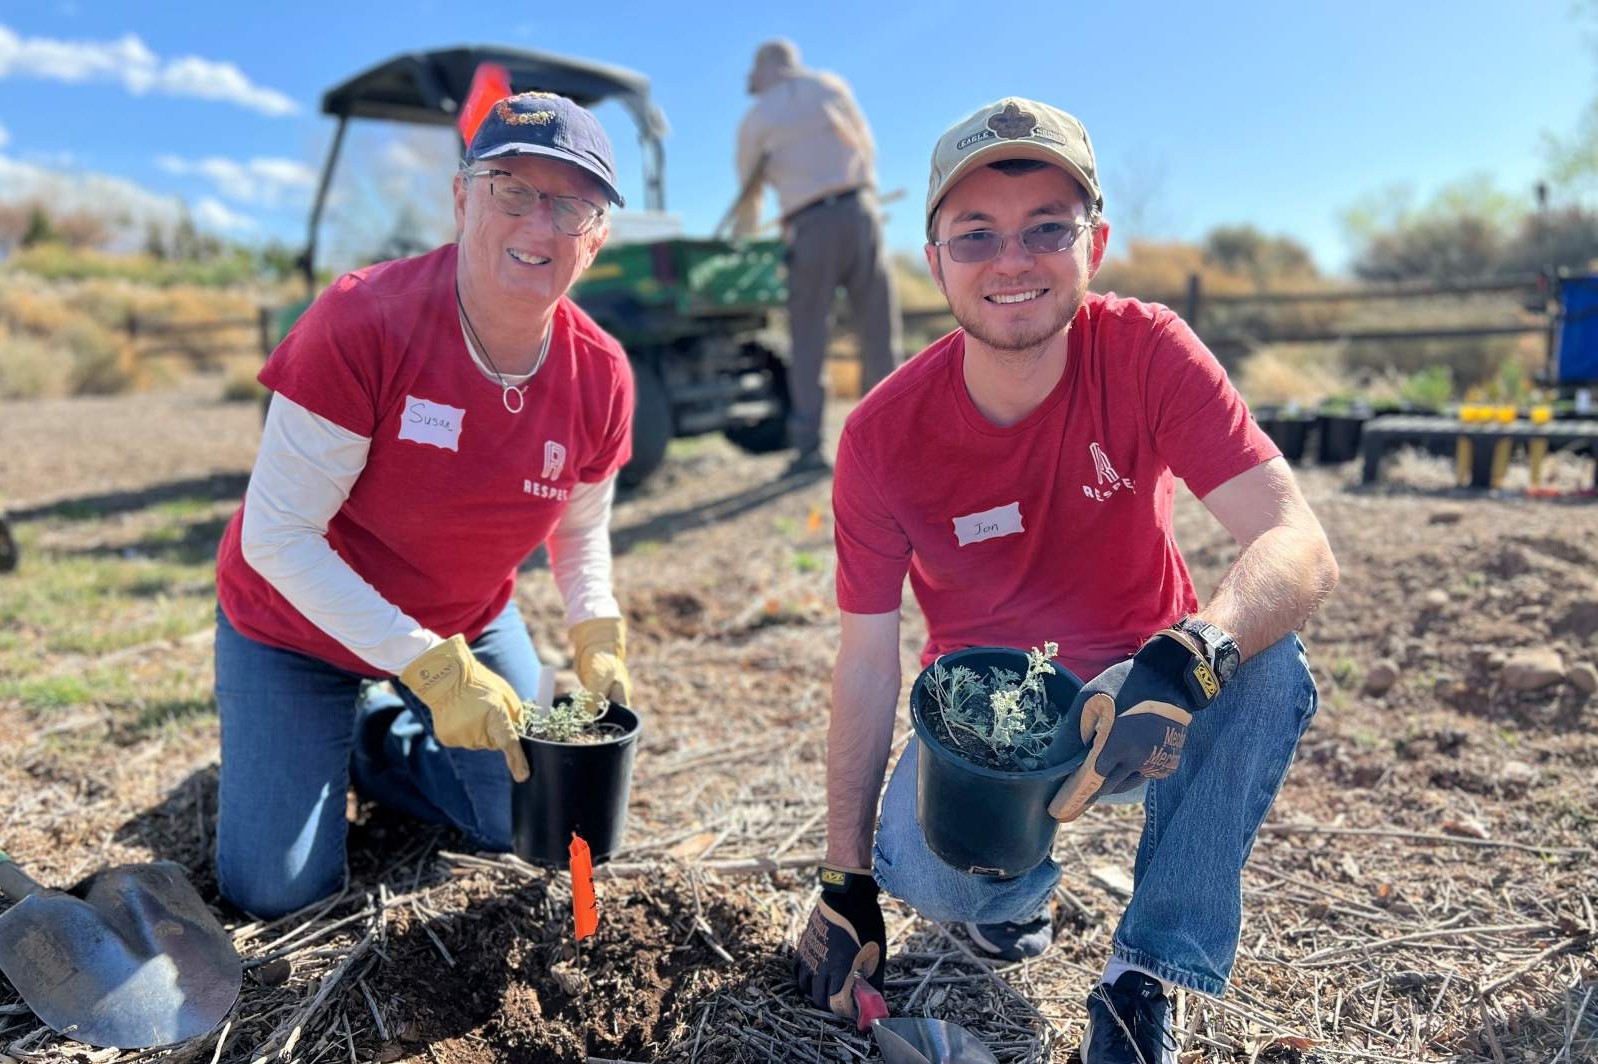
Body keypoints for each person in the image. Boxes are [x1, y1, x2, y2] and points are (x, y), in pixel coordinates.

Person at [792, 98, 1339, 1063]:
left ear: (1096, 242)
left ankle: (1143, 978)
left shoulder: (1147, 352)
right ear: (936, 259)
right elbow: (868, 663)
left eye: (1048, 226)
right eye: (977, 235)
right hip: (991, 724)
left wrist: (1183, 662)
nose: (1013, 259)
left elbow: (1297, 542)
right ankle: (1009, 900)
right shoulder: (883, 437)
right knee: (932, 875)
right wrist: (845, 881)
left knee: (1268, 664)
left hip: (1148, 694)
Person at [211, 92, 636, 919]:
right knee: (276, 893)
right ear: (462, 196)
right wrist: (427, 668)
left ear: (598, 237)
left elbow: (582, 529)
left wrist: (596, 626)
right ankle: (337, 715)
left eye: (573, 205)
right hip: (293, 628)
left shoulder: (604, 375)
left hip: (464, 620)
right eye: (512, 190)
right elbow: (278, 535)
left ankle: (377, 742)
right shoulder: (362, 322)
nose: (540, 225)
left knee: (513, 822)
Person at [732, 39, 903, 474]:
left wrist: (743, 243)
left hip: (809, 226)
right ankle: (889, 441)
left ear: (764, 69)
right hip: (862, 211)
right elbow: (866, 146)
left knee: (809, 338)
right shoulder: (831, 87)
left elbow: (748, 196)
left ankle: (809, 448)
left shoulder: (757, 116)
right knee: (879, 330)